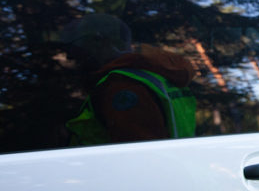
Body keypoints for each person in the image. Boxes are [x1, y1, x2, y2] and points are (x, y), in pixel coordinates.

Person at [62, 13, 197, 145]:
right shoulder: (156, 75)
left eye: (75, 46)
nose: (70, 56)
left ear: (97, 41)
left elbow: (138, 155)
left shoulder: (122, 85)